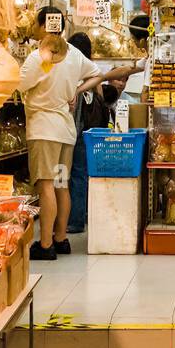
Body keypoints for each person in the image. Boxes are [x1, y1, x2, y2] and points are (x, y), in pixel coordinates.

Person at [18, 6, 101, 260]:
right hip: (66, 131)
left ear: (44, 26)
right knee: (61, 185)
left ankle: (45, 245)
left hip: (44, 130)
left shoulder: (37, 57)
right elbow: (97, 74)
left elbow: (19, 84)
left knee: (45, 188)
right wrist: (76, 89)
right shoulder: (74, 54)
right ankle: (61, 238)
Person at [66, 32, 111, 235]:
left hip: (69, 130)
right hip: (89, 132)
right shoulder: (92, 73)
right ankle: (81, 215)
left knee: (66, 175)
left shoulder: (69, 70)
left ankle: (73, 220)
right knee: (82, 175)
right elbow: (100, 102)